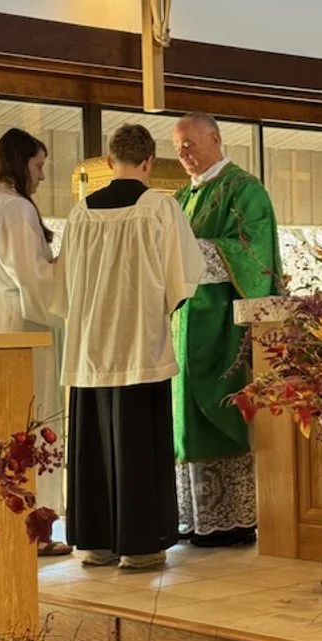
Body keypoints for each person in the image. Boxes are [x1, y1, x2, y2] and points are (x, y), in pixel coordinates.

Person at [50, 124, 205, 569]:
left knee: (94, 442)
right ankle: (139, 548)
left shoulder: (81, 213)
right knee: (138, 442)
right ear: (149, 162)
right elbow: (183, 277)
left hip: (90, 346)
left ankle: (95, 543)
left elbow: (63, 290)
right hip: (139, 343)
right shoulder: (160, 206)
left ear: (109, 161)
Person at [172, 112, 282, 547]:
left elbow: (254, 254)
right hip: (185, 320)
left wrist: (188, 252)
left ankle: (232, 520)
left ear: (215, 139)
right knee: (184, 420)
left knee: (221, 411)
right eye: (177, 147)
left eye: (189, 144)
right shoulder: (182, 196)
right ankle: (194, 519)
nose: (183, 154)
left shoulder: (245, 190)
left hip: (223, 323)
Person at [0, 127, 70, 557]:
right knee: (32, 421)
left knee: (8, 422)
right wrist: (67, 264)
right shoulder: (14, 207)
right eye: (39, 165)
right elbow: (32, 276)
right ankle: (35, 528)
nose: (42, 175)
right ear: (19, 162)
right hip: (21, 318)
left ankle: (12, 526)